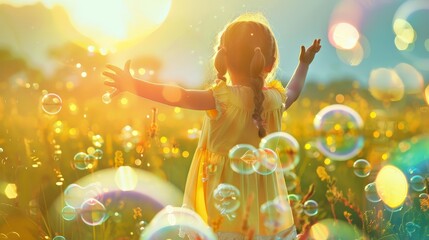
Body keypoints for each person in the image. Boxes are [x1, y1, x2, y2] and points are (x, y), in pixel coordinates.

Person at [103, 12, 321, 240]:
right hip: (263, 196)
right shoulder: (275, 99)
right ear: (270, 64)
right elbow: (294, 91)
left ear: (223, 59)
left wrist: (134, 85)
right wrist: (303, 64)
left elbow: (179, 96)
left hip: (222, 192)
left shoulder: (223, 98)